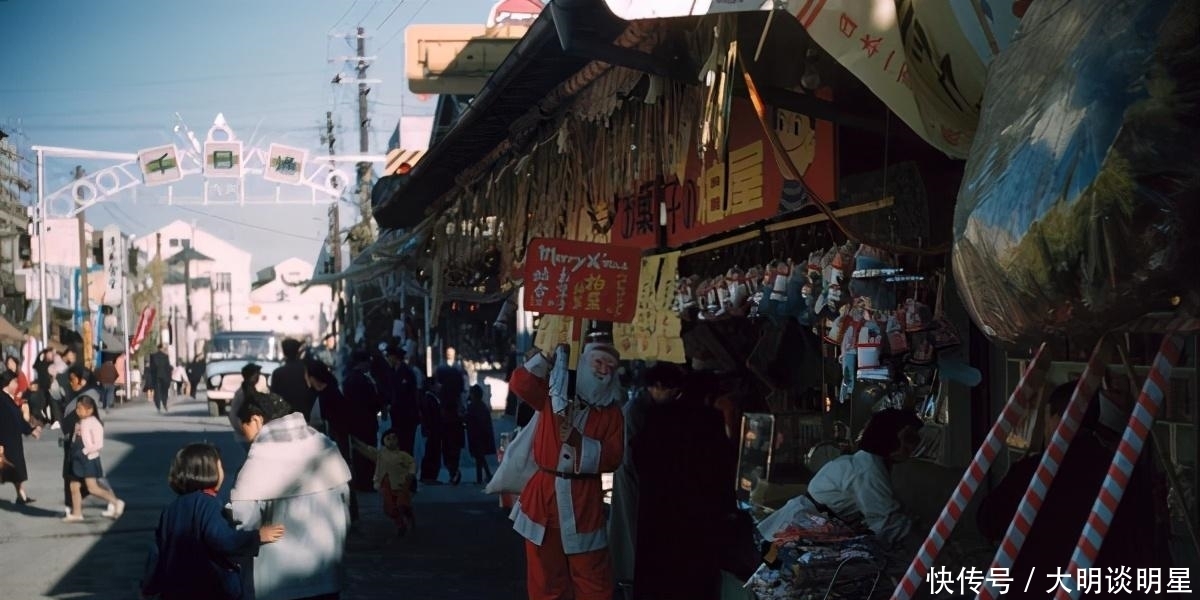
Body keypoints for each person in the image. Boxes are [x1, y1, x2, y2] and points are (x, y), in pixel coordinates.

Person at [975, 381, 1160, 598]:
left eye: (1046, 419)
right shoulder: (1122, 474)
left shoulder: (1033, 473)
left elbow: (988, 521)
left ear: (1058, 419)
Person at [508, 336, 626, 600]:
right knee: (546, 578)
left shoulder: (612, 413)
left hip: (584, 500)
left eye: (610, 365)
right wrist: (546, 356)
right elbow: (521, 384)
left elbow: (613, 457)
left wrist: (579, 443)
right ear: (584, 362)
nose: (603, 370)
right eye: (598, 362)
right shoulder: (554, 394)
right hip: (544, 498)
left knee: (593, 579)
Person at [230, 391, 351, 600]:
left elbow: (244, 521)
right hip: (327, 575)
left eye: (244, 429)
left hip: (279, 583)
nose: (245, 438)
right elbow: (345, 507)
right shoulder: (324, 445)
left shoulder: (259, 461)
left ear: (257, 419)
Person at [631, 363, 737, 600]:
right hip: (697, 516)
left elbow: (638, 456)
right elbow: (723, 467)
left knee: (660, 576)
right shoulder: (710, 419)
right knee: (693, 580)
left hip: (658, 511)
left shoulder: (658, 415)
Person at [141, 443, 285, 600]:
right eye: (220, 466)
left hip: (175, 591)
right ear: (209, 472)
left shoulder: (171, 509)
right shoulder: (207, 503)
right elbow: (222, 539)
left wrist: (148, 587)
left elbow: (156, 553)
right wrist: (257, 537)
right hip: (207, 588)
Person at [805, 408, 923, 547]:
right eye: (908, 439)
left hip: (815, 523)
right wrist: (932, 543)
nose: (911, 448)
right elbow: (887, 523)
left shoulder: (869, 462)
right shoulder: (867, 469)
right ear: (890, 437)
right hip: (805, 525)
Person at [64, 391, 126, 522]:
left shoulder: (94, 423)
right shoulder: (80, 421)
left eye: (80, 408)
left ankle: (115, 501)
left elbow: (98, 444)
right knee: (74, 486)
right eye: (77, 408)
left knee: (92, 487)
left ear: (90, 409)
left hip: (88, 458)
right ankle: (77, 513)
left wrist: (85, 451)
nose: (78, 411)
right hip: (77, 458)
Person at [350, 429, 416, 536]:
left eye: (394, 438)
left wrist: (411, 474)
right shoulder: (381, 455)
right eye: (388, 438)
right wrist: (356, 443)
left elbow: (411, 463)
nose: (391, 441)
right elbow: (368, 450)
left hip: (400, 485)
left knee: (402, 504)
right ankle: (400, 525)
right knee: (390, 508)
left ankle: (408, 516)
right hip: (387, 486)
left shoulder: (402, 455)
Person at [341, 350, 383, 492]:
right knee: (369, 452)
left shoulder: (347, 379)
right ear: (363, 362)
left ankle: (359, 481)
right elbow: (374, 401)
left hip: (353, 422)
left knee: (358, 452)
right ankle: (368, 481)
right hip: (367, 421)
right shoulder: (366, 380)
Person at [0, 370, 41, 504]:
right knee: (9, 467)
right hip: (5, 441)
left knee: (15, 469)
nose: (17, 384)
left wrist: (30, 430)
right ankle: (21, 495)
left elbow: (18, 419)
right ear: (7, 383)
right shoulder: (2, 399)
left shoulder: (8, 398)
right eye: (15, 381)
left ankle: (21, 495)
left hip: (12, 440)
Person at [383, 345, 419, 456]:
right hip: (397, 415)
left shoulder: (406, 372)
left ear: (395, 357)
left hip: (407, 415)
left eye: (389, 357)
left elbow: (407, 394)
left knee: (406, 445)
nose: (388, 359)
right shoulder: (392, 372)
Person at [271, 338, 316, 423]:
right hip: (303, 414)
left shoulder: (278, 373)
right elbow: (313, 392)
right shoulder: (306, 369)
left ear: (284, 353)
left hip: (285, 417)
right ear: (297, 351)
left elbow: (274, 397)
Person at [465, 384, 496, 485]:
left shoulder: (473, 406)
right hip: (482, 435)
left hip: (476, 436)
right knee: (480, 457)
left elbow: (468, 419)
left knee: (479, 457)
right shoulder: (482, 406)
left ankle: (483, 477)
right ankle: (485, 476)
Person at [227, 364, 263, 447]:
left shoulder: (250, 391)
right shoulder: (243, 394)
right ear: (251, 376)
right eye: (256, 375)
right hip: (247, 436)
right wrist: (244, 431)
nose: (258, 377)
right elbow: (234, 415)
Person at [418, 379, 443, 484]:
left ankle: (430, 476)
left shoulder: (431, 399)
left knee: (432, 452)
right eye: (437, 384)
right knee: (432, 452)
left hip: (433, 430)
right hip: (433, 430)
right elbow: (429, 417)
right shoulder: (429, 399)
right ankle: (429, 476)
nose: (439, 386)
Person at [149, 344, 172, 413]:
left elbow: (151, 368)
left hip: (156, 376)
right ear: (161, 348)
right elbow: (168, 368)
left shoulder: (153, 356)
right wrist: (169, 377)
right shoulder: (165, 356)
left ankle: (158, 406)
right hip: (164, 376)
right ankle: (164, 404)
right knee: (164, 391)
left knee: (157, 392)